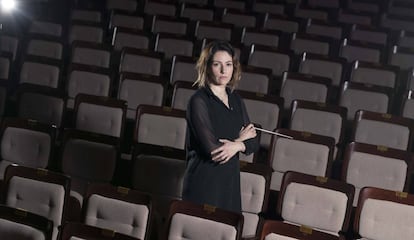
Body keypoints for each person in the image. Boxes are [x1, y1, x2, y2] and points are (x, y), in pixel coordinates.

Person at [182, 40, 259, 213]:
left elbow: (254, 141)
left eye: (228, 64)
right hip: (204, 181)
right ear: (207, 66)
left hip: (229, 183)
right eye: (217, 65)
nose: (224, 71)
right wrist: (240, 141)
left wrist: (238, 145)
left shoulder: (236, 99)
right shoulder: (198, 101)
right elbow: (214, 151)